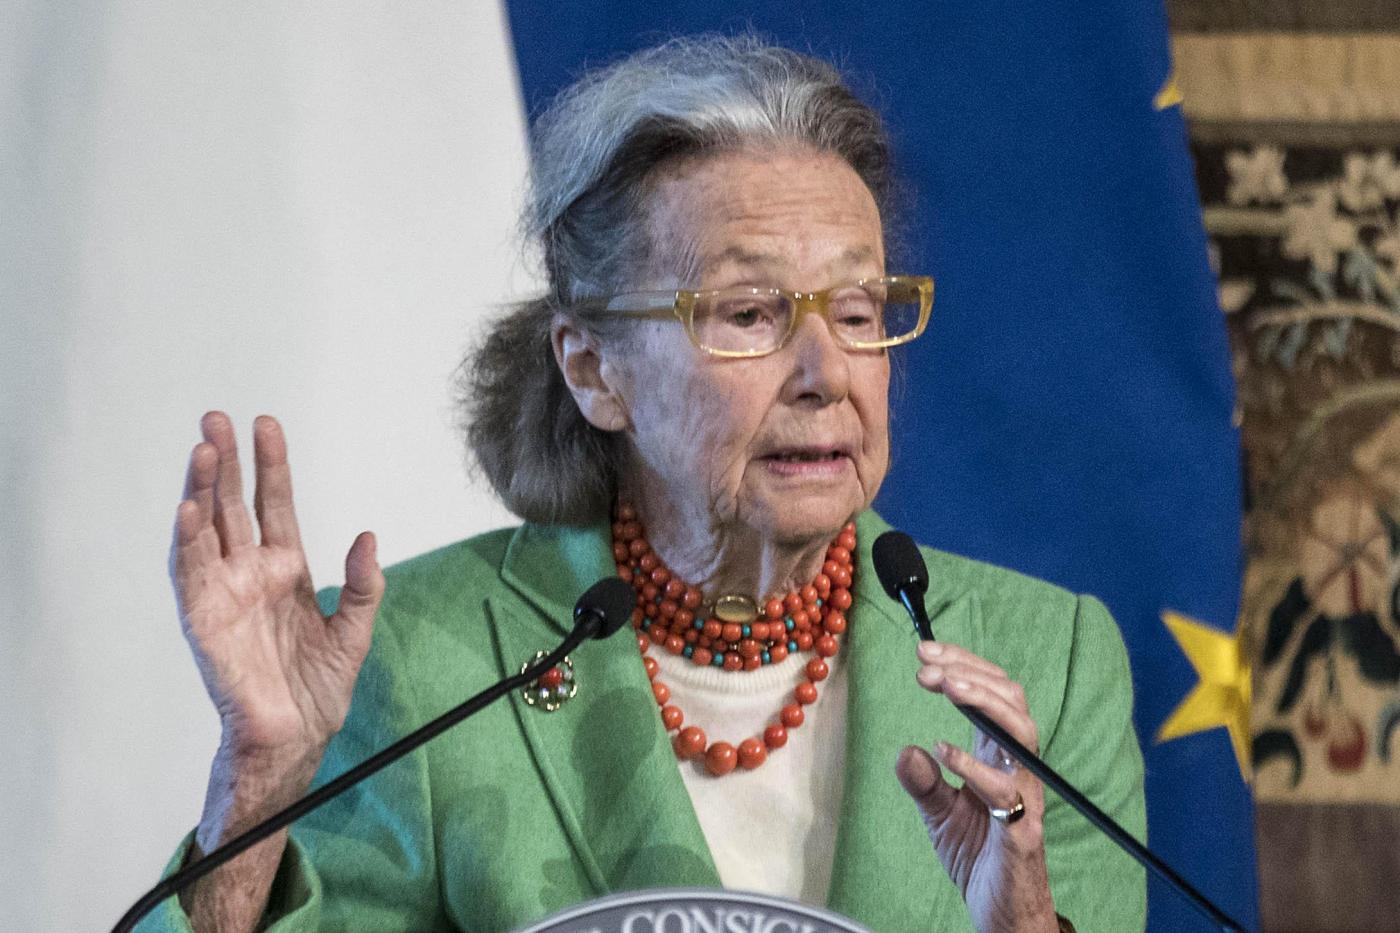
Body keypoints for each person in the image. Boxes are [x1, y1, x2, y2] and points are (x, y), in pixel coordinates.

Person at [147, 35, 1146, 933]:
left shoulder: (1045, 662)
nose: (825, 374)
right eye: (750, 313)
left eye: (856, 310)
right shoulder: (418, 665)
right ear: (594, 370)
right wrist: (258, 783)